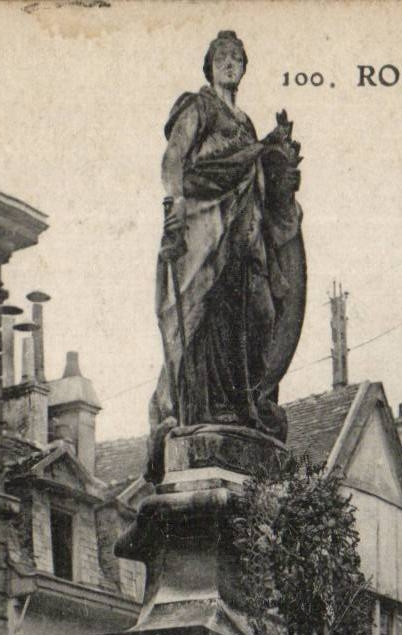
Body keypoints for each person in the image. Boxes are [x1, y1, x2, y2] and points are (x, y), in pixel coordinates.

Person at [148, 30, 306, 475]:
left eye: (237, 57)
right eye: (223, 57)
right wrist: (175, 206)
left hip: (245, 234)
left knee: (258, 316)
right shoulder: (198, 106)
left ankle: (242, 406)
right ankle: (205, 409)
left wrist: (276, 153)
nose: (231, 64)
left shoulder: (248, 126)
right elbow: (174, 160)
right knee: (210, 316)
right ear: (210, 65)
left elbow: (260, 178)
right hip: (207, 229)